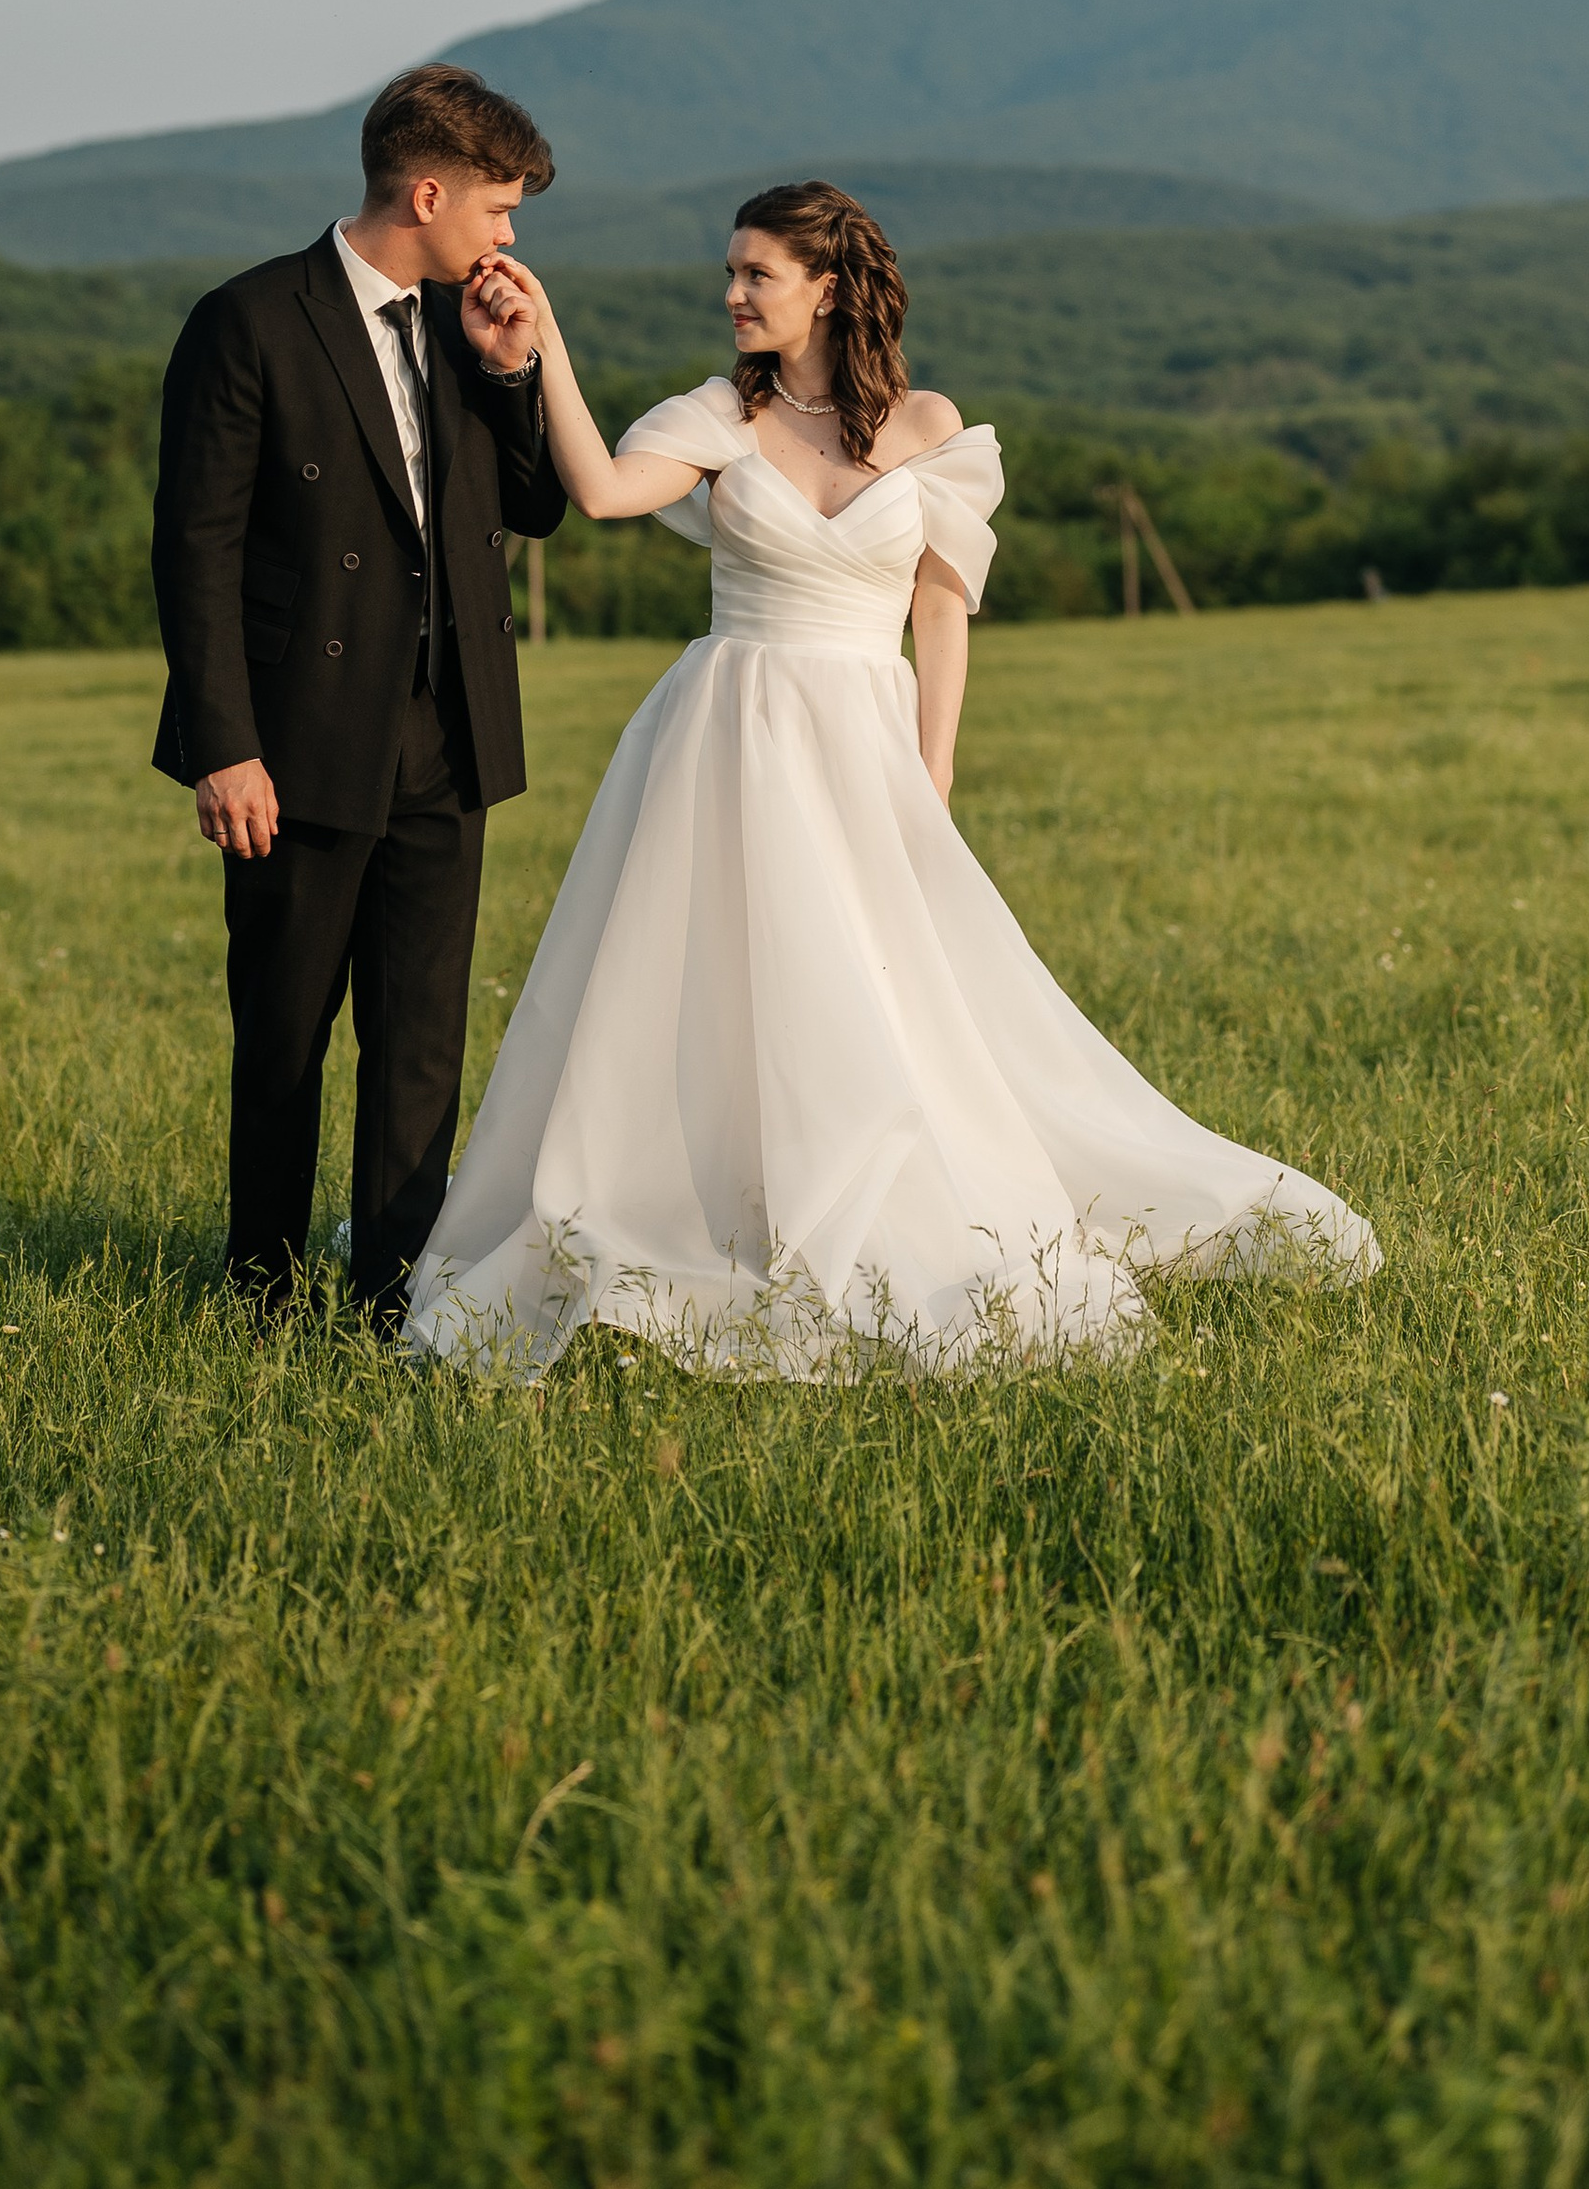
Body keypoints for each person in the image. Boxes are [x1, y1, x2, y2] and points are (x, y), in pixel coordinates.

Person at [402, 180, 1378, 1373]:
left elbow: (941, 609)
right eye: (729, 271)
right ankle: (707, 1202)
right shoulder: (718, 413)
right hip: (728, 729)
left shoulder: (929, 426)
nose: (730, 294)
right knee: (718, 978)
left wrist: (932, 763)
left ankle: (880, 1188)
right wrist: (544, 343)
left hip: (864, 735)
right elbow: (602, 491)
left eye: (754, 273)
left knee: (879, 987)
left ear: (826, 284)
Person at [151, 63, 567, 1325]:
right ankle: (263, 1295)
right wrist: (226, 747)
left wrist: (511, 371)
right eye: (497, 208)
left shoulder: (468, 322)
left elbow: (539, 507)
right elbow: (196, 549)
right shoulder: (251, 318)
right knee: (284, 1036)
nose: (508, 236)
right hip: (300, 740)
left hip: (449, 733)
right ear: (426, 191)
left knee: (421, 1042)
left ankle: (398, 1294)